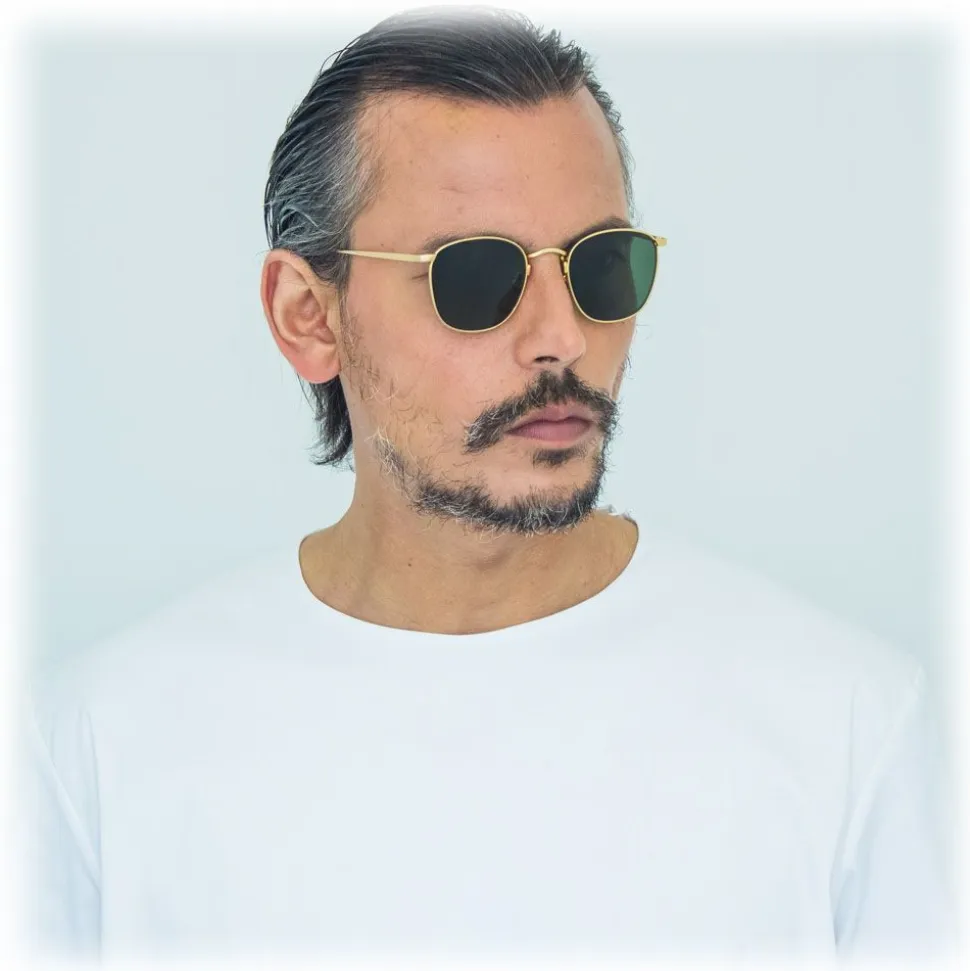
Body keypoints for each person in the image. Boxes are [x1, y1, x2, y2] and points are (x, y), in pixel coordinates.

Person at [22, 5, 957, 963]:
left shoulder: (848, 727)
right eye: (475, 278)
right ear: (309, 316)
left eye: (601, 267)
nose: (562, 337)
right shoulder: (99, 749)